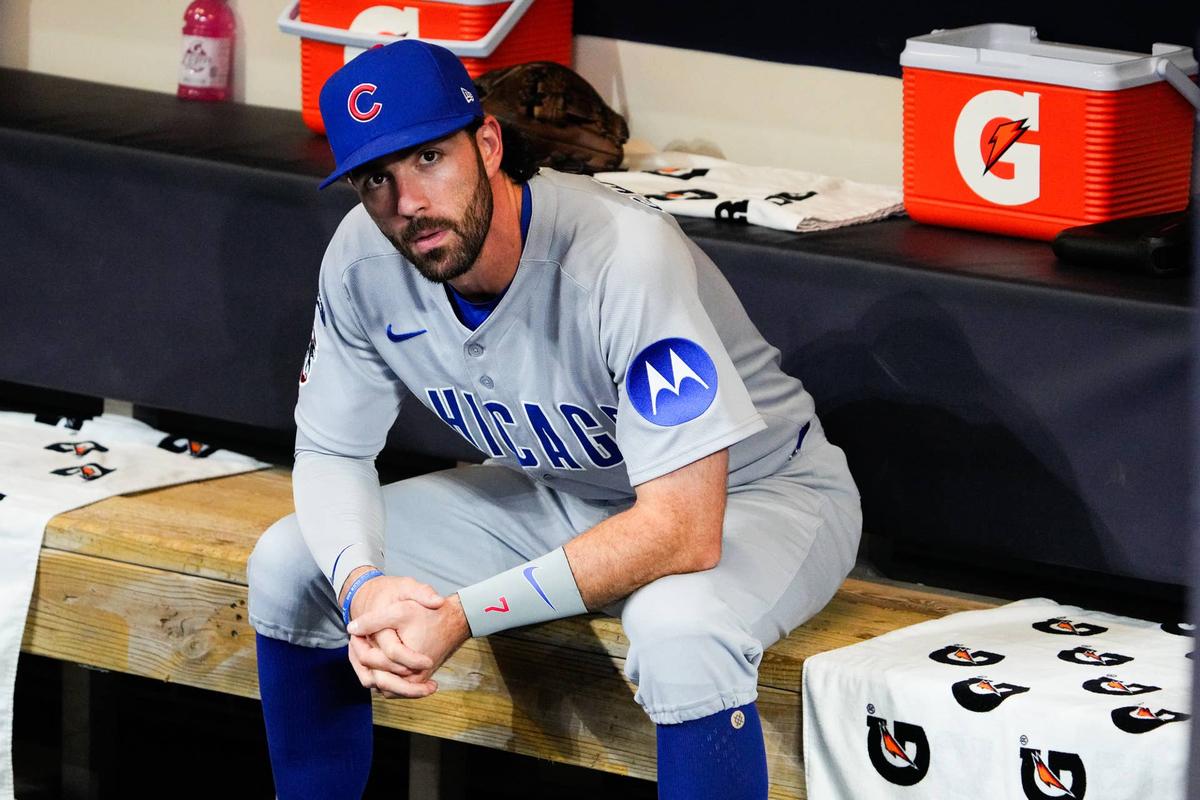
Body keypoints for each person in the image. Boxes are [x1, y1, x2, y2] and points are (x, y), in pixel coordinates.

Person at [247, 39, 861, 799]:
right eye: (377, 178)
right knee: (291, 563)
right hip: (562, 491)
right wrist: (365, 587)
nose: (407, 202)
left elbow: (682, 529)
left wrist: (463, 614)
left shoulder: (620, 257)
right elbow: (333, 453)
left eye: (429, 158)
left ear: (489, 143)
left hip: (759, 498)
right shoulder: (361, 261)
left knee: (682, 633)